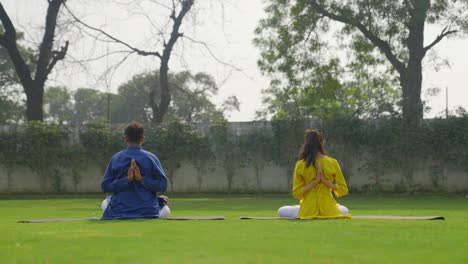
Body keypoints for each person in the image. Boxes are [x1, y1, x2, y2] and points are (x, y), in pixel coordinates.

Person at [100, 121, 170, 219]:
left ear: (125, 139)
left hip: (119, 211)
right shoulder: (151, 158)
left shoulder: (116, 158)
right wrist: (141, 179)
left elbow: (105, 186)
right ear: (142, 139)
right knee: (166, 209)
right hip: (148, 212)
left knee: (105, 202)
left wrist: (126, 180)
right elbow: (163, 185)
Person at [277, 129, 351, 219]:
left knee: (281, 210)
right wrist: (323, 181)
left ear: (306, 144)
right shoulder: (332, 162)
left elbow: (296, 193)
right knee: (344, 209)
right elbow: (343, 190)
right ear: (322, 143)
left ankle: (299, 207)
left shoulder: (300, 164)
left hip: (307, 211)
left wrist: (315, 181)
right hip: (329, 210)